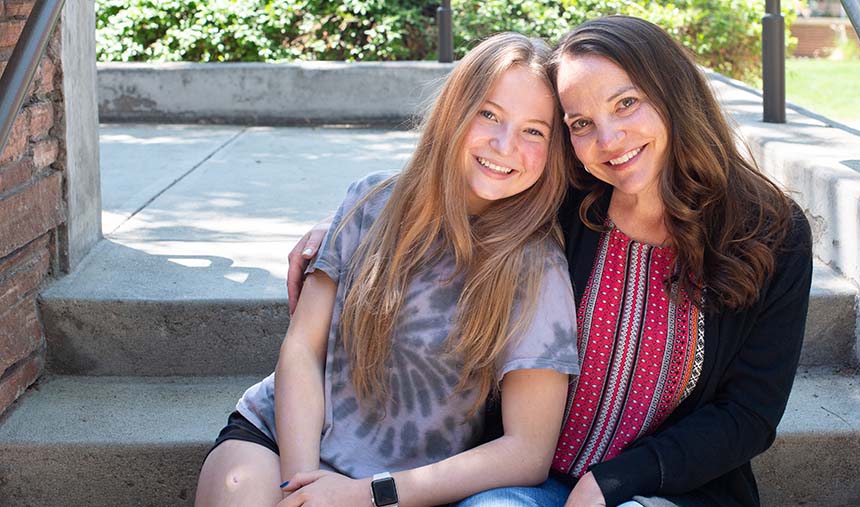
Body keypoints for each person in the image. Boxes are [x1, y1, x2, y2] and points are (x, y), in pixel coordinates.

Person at [288, 16, 814, 507]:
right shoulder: (567, 203)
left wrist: (611, 483)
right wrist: (334, 232)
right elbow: (456, 200)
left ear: (675, 94)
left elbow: (748, 414)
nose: (608, 140)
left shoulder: (771, 233)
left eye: (627, 103)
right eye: (581, 123)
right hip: (531, 483)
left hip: (670, 489)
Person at [195, 32, 581, 507]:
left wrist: (362, 495)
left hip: (397, 490)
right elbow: (302, 348)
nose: (504, 144)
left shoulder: (535, 266)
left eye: (533, 131)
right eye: (489, 114)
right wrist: (305, 485)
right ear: (454, 111)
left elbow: (527, 452)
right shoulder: (371, 201)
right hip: (280, 440)